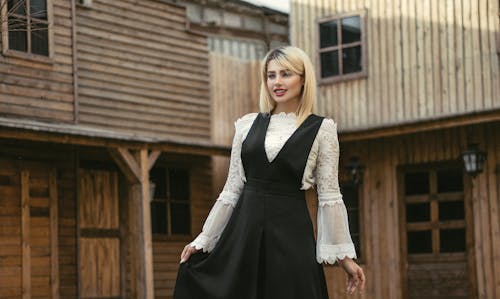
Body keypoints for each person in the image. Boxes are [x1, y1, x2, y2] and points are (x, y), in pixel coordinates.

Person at [173, 46, 366, 299]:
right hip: (244, 234)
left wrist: (345, 258)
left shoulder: (323, 130)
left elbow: (329, 196)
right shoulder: (245, 126)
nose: (277, 82)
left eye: (286, 74)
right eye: (271, 75)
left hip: (292, 235)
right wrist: (204, 238)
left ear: (303, 78)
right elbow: (232, 190)